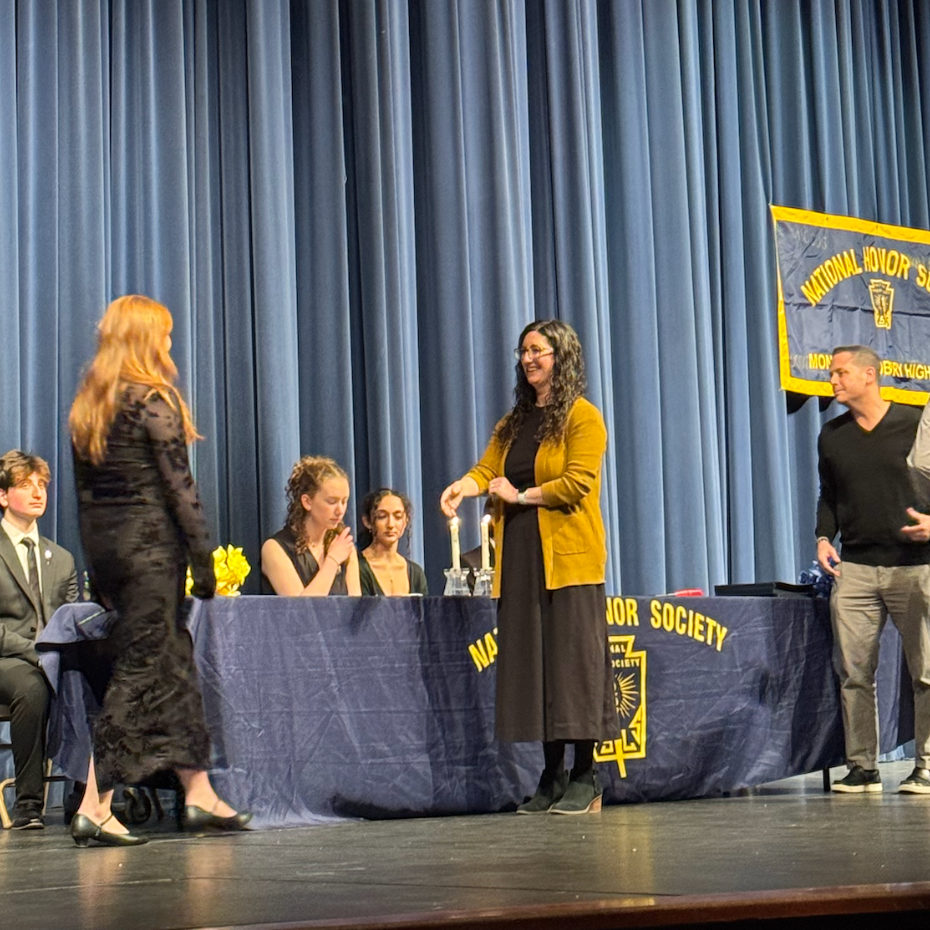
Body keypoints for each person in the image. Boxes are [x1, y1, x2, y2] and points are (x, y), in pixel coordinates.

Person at [68, 294, 251, 846]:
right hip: (152, 556)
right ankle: (95, 805)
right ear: (148, 339)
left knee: (176, 668)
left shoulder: (90, 408)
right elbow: (181, 491)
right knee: (141, 674)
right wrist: (204, 565)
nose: (171, 344)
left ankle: (200, 794)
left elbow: (87, 502)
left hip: (117, 560)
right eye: (165, 334)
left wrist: (100, 573)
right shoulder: (153, 400)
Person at [440, 319, 617, 815]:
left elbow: (576, 483)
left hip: (570, 560)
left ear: (562, 357)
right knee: (535, 664)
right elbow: (487, 470)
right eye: (523, 352)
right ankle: (552, 774)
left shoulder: (583, 418)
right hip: (519, 554)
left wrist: (520, 495)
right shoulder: (514, 422)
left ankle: (588, 774)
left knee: (572, 666)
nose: (529, 359)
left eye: (538, 350)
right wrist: (463, 486)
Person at [816, 345, 930, 794]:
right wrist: (824, 538)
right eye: (831, 374)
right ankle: (863, 766)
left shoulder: (914, 420)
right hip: (857, 567)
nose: (833, 381)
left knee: (926, 672)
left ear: (869, 375)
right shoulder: (832, 435)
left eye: (841, 373)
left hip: (916, 566)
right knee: (854, 674)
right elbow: (828, 494)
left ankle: (927, 764)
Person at [0, 451, 78, 830]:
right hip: (8, 659)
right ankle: (29, 805)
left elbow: (73, 617)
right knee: (32, 687)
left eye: (42, 486)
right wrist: (35, 652)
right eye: (25, 485)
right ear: (3, 496)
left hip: (53, 657)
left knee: (91, 679)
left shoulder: (61, 558)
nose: (37, 493)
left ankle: (87, 799)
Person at [261, 456, 362, 596]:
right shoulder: (275, 548)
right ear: (307, 502)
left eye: (344, 502)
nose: (340, 511)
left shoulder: (344, 548)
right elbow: (303, 610)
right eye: (332, 502)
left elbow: (354, 608)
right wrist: (332, 561)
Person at [358, 489, 428, 596]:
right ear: (367, 522)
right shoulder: (357, 568)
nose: (391, 524)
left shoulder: (416, 573)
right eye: (382, 516)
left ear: (405, 522)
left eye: (398, 517)